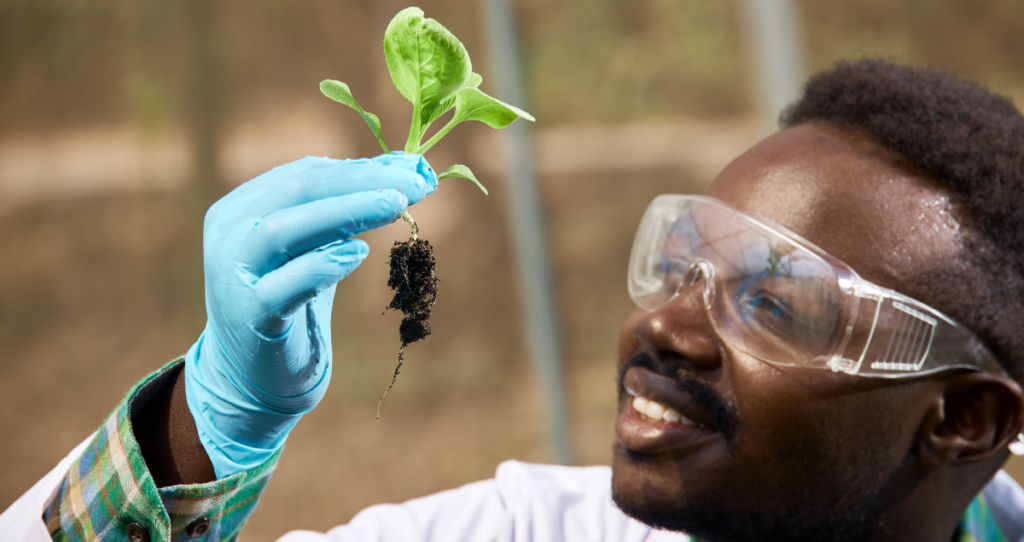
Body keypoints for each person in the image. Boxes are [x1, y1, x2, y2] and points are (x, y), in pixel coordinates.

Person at [4, 59, 1024, 542]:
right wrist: (206, 423)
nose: (664, 325)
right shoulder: (525, 529)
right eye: (678, 263)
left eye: (775, 303)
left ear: (960, 417)